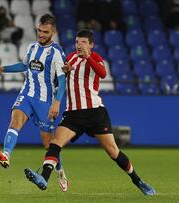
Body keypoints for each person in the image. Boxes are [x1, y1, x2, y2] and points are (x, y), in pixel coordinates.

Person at [24, 30, 156, 196]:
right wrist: (63, 72)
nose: (79, 45)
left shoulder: (96, 59)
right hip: (73, 113)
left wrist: (88, 57)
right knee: (55, 142)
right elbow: (60, 81)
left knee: (113, 152)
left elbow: (102, 73)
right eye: (77, 42)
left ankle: (138, 181)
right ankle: (43, 178)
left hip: (95, 113)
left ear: (91, 45)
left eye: (83, 42)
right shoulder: (70, 58)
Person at [0, 14, 69, 192]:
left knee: (49, 145)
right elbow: (24, 65)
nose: (41, 34)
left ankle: (61, 172)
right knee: (15, 120)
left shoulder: (56, 53)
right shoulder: (32, 47)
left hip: (45, 102)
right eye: (39, 30)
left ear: (53, 32)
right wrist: (3, 69)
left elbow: (62, 81)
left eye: (45, 32)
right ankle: (6, 154)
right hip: (26, 95)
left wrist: (56, 103)